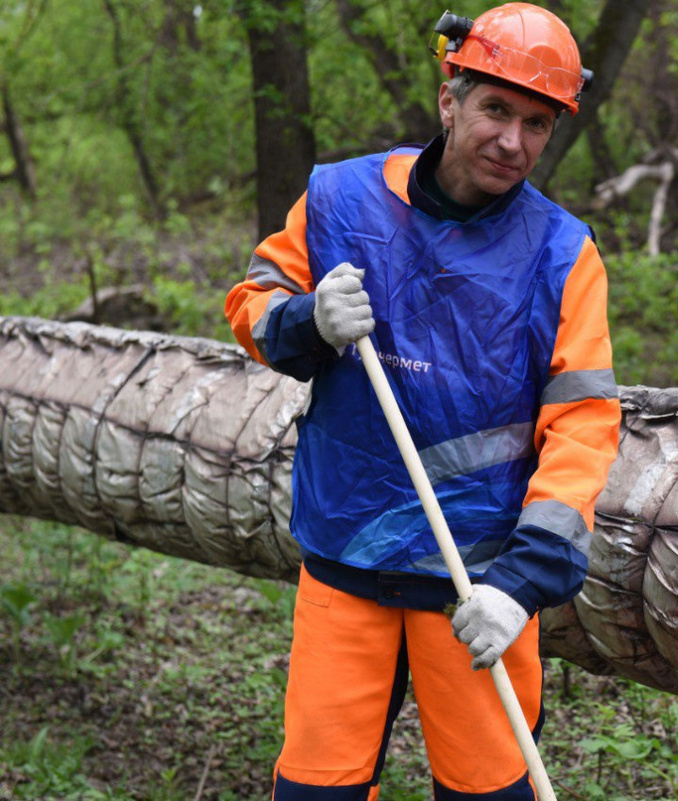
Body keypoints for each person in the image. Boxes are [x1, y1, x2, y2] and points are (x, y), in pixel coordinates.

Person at [224, 4, 620, 799]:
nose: (513, 140)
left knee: (490, 792)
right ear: (451, 101)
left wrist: (523, 581)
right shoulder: (340, 200)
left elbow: (582, 427)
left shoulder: (562, 253)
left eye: (537, 123)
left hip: (478, 584)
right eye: (496, 109)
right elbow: (254, 307)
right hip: (347, 559)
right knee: (315, 791)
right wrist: (307, 319)